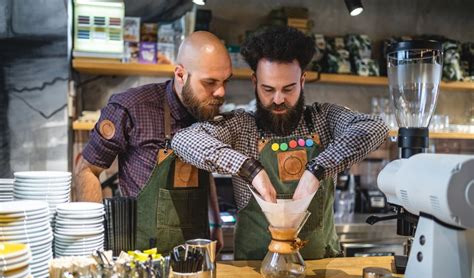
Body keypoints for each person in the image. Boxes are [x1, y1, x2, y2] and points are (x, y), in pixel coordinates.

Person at [171, 26, 390, 260]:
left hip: (321, 269)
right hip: (253, 273)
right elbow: (183, 139)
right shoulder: (242, 126)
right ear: (254, 81)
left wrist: (317, 170)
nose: (278, 99)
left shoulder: (323, 120)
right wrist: (250, 169)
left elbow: (376, 127)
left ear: (302, 81)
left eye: (288, 89)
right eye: (268, 89)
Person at [74, 31, 232, 254]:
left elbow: (204, 171)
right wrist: (93, 243)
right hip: (140, 256)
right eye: (210, 82)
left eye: (226, 81)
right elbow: (86, 170)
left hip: (196, 252)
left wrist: (215, 222)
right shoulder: (131, 107)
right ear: (180, 74)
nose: (220, 92)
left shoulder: (206, 111)